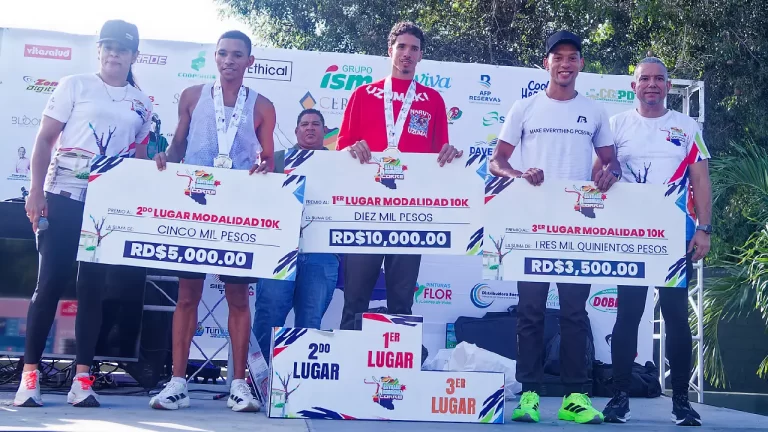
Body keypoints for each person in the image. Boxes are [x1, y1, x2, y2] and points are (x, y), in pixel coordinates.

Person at [14, 19, 153, 408]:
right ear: (99, 50)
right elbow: (44, 139)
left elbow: (139, 160)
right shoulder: (75, 84)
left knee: (93, 290)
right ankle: (30, 377)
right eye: (108, 46)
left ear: (134, 56)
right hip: (63, 196)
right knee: (51, 284)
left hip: (107, 206)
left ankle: (83, 379)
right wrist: (36, 192)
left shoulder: (143, 103)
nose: (114, 54)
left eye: (122, 49)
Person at [489, 30, 620, 424]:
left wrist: (608, 173)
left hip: (578, 225)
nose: (565, 63)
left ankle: (575, 397)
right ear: (546, 63)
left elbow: (610, 161)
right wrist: (518, 173)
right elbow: (497, 161)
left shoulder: (595, 111)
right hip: (531, 224)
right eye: (558, 57)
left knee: (575, 313)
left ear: (581, 64)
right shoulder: (524, 108)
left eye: (573, 57)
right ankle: (528, 395)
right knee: (529, 312)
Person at [150, 30, 275, 413]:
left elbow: (268, 159)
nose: (229, 60)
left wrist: (263, 165)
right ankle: (177, 382)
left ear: (249, 61)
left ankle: (239, 384)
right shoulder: (191, 97)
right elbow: (178, 146)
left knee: (238, 299)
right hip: (194, 207)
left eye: (238, 55)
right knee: (187, 297)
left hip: (236, 213)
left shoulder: (263, 106)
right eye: (223, 53)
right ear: (215, 58)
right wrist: (164, 160)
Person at [598, 57, 708, 427]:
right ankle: (619, 398)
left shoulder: (685, 125)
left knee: (677, 317)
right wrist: (607, 171)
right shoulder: (615, 125)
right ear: (634, 86)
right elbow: (596, 174)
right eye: (644, 79)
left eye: (659, 79)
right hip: (630, 235)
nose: (652, 85)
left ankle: (681, 402)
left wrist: (705, 229)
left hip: (675, 235)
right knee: (628, 314)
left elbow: (701, 179)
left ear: (668, 85)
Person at [335, 21, 462, 332]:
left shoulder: (432, 100)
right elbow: (341, 148)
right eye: (401, 47)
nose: (407, 53)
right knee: (355, 299)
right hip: (365, 211)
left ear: (421, 56)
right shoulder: (363, 94)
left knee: (402, 301)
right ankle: (350, 371)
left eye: (414, 49)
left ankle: (397, 374)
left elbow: (439, 154)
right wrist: (352, 147)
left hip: (410, 215)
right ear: (389, 50)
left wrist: (451, 155)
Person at [252, 108, 340, 362]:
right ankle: (259, 380)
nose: (310, 128)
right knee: (269, 316)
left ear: (325, 131)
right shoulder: (276, 160)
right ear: (296, 131)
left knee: (310, 320)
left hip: (321, 252)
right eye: (304, 124)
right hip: (280, 251)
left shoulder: (342, 165)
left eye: (316, 124)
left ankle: (300, 383)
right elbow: (255, 197)